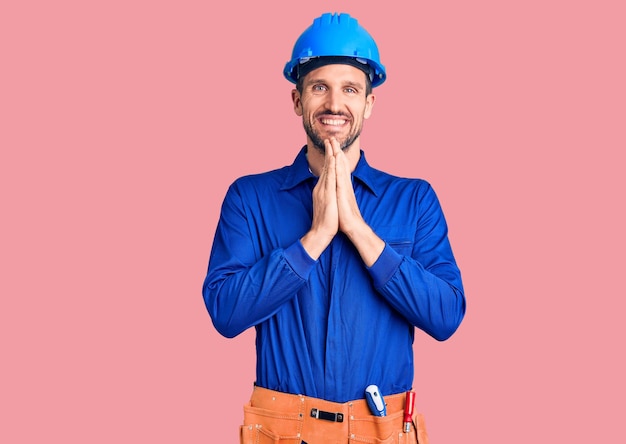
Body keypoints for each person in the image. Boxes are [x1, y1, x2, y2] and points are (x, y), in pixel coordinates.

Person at [202, 12, 465, 444]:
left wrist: (360, 232)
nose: (334, 104)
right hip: (282, 432)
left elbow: (447, 316)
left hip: (383, 431)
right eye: (319, 87)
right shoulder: (249, 198)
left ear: (369, 103)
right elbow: (225, 313)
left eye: (350, 89)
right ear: (296, 100)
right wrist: (314, 239)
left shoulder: (415, 200)